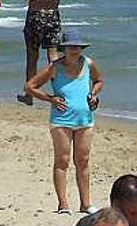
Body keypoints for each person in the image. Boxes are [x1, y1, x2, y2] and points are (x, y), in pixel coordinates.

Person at [24, 29, 103, 214]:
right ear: (64, 49)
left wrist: (93, 94)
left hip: (85, 119)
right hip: (61, 120)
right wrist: (51, 99)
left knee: (83, 161)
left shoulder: (88, 64)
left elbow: (99, 81)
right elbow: (30, 86)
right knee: (62, 160)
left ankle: (85, 203)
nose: (75, 50)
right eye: (71, 47)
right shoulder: (55, 67)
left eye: (78, 47)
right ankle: (63, 204)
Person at [16, 0, 61, 106]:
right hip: (53, 14)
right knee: (53, 56)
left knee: (32, 57)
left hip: (35, 14)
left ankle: (29, 95)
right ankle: (59, 92)